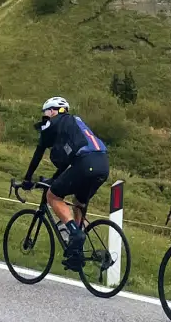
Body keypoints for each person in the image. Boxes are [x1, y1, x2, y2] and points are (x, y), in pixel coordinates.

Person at [15, 96, 109, 270]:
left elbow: (39, 151)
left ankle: (75, 233)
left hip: (85, 163)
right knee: (79, 203)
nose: (44, 119)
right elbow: (66, 163)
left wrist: (27, 178)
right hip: (102, 164)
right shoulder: (76, 122)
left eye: (45, 114)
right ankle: (77, 253)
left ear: (52, 111)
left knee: (53, 196)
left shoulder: (53, 122)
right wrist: (55, 178)